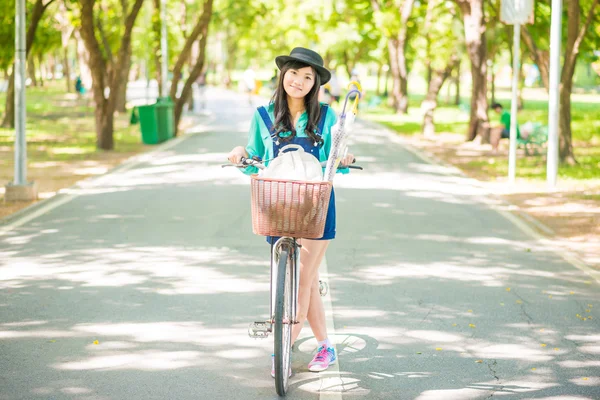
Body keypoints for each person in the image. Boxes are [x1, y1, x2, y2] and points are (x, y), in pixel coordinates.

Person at [227, 47, 355, 377]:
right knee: (305, 280)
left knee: (302, 280)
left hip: (315, 206)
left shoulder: (326, 117)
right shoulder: (263, 115)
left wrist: (344, 158)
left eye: (307, 77)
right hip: (277, 204)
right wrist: (240, 154)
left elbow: (335, 158)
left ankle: (283, 346)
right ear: (283, 75)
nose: (298, 81)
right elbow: (254, 156)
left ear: (315, 84)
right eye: (294, 73)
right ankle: (325, 344)